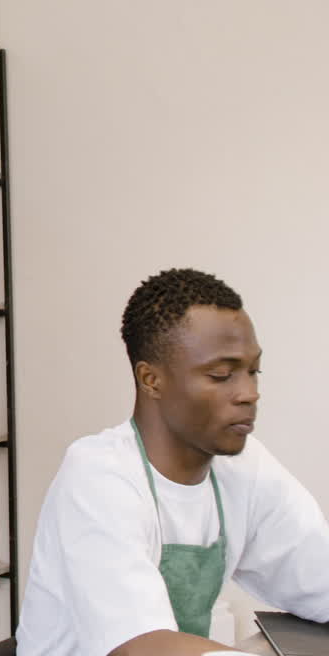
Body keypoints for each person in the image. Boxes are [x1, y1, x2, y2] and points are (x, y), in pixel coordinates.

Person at [17, 268, 329, 656]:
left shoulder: (244, 469)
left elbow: (318, 577)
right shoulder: (97, 476)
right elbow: (140, 646)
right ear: (151, 380)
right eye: (221, 375)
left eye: (253, 371)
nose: (249, 393)